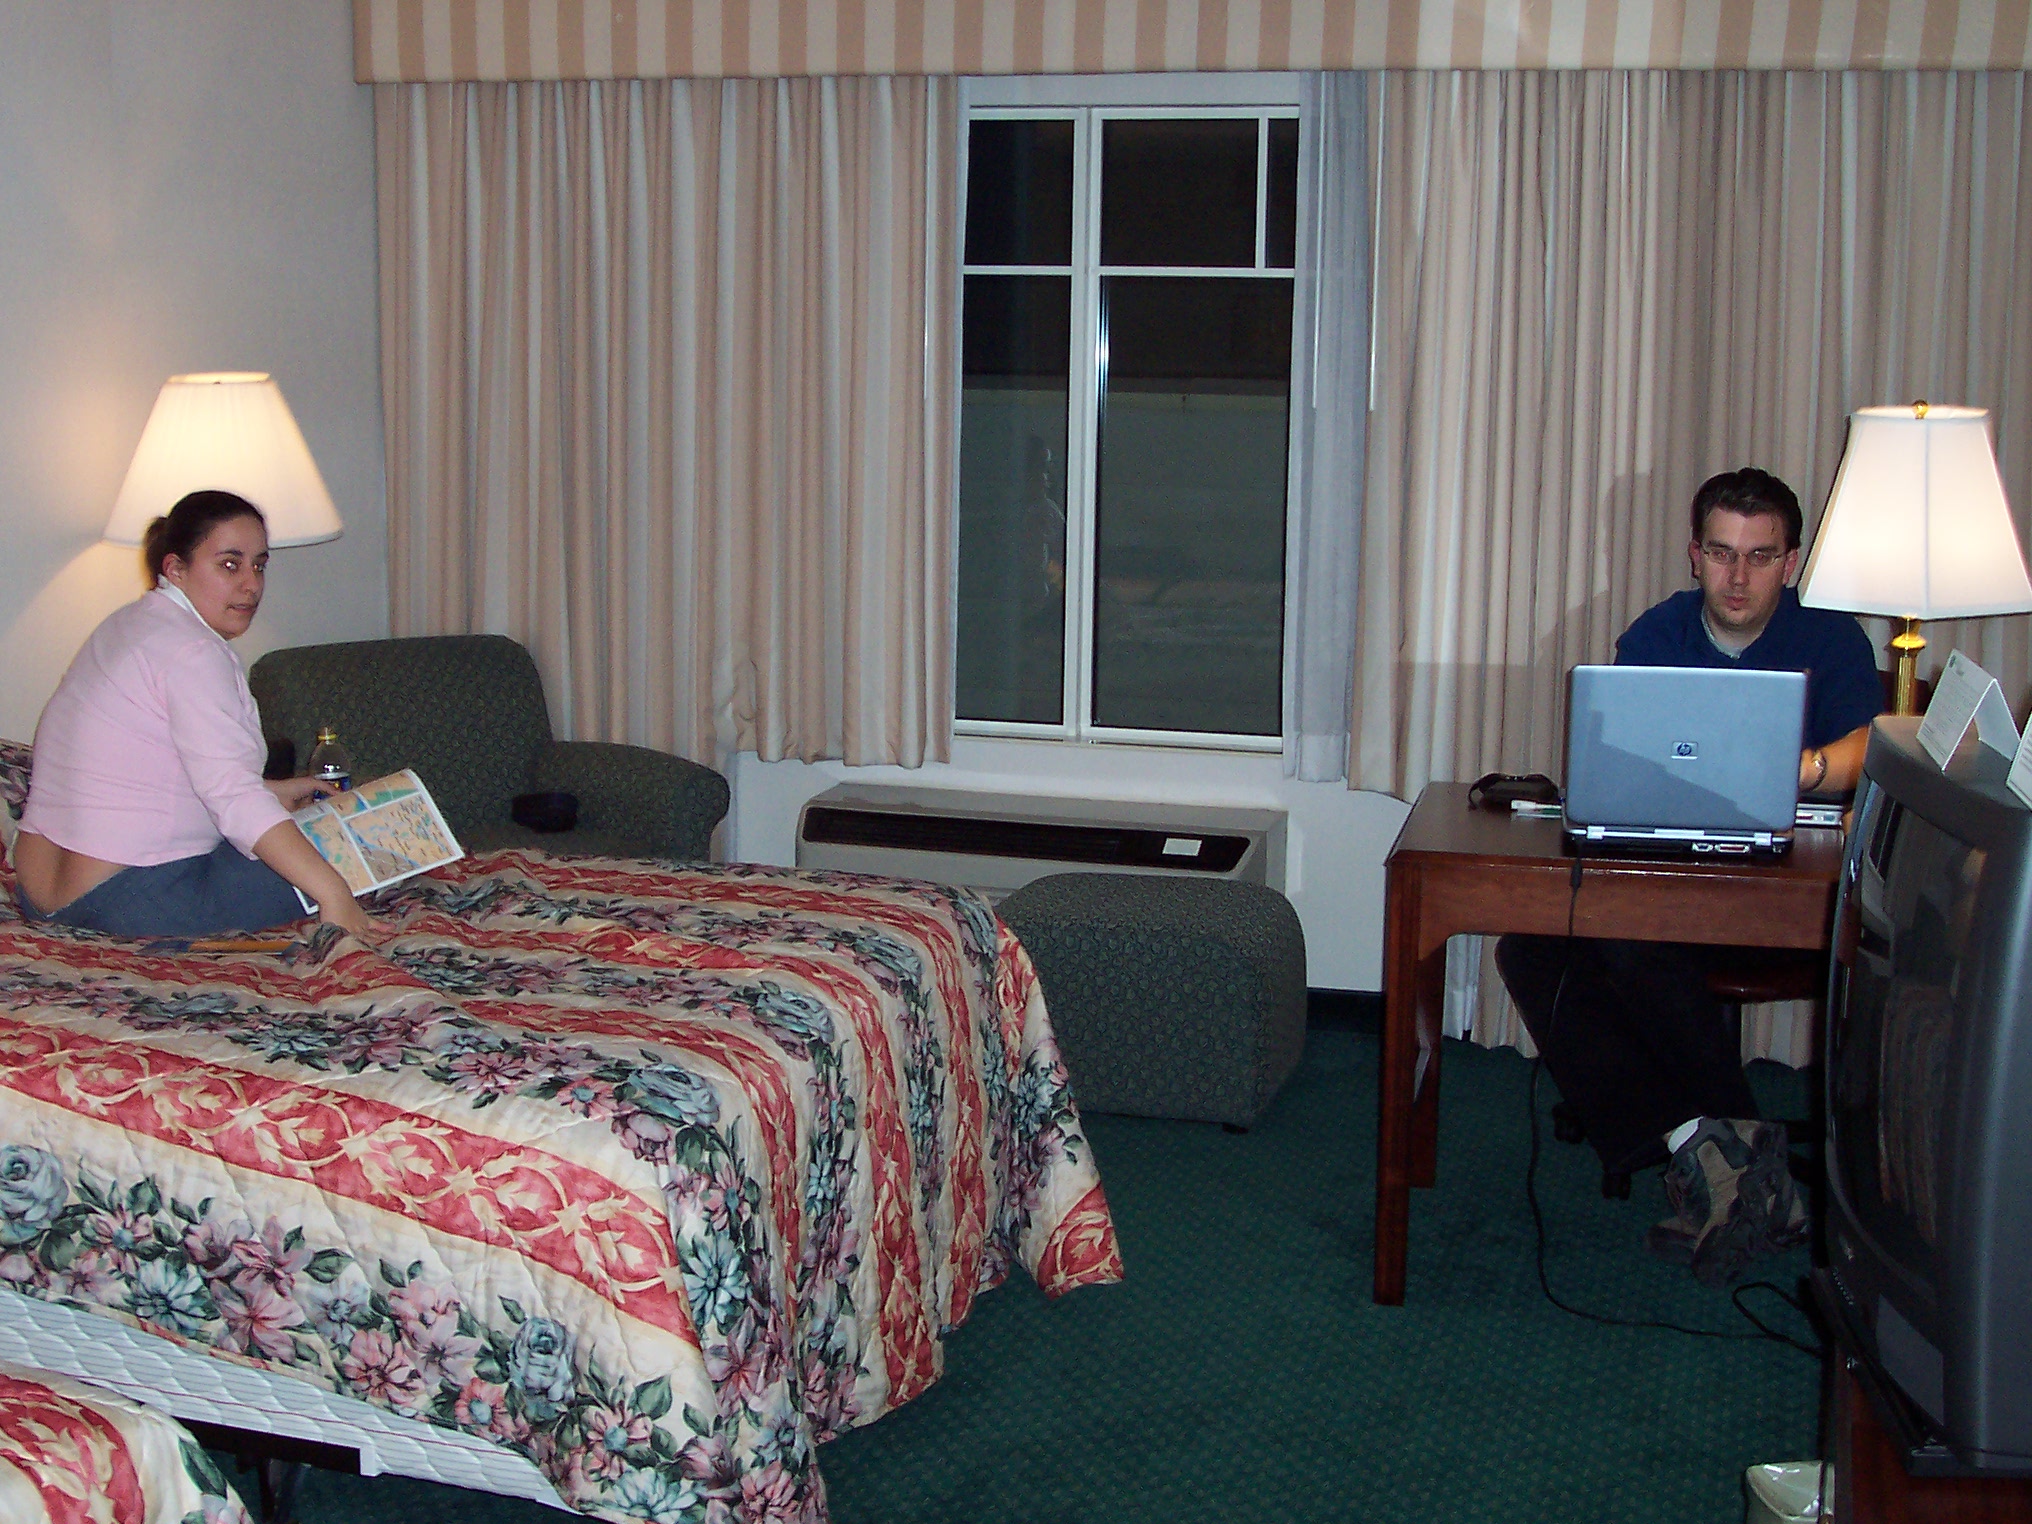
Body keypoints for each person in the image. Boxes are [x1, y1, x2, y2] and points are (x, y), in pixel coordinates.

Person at [1495, 468, 1882, 1282]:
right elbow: (1617, 758)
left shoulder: (1831, 639)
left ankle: (1721, 1163)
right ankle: (1716, 1152)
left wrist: (1802, 768)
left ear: (1790, 562)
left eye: (1760, 556)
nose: (1738, 577)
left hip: (1780, 897)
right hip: (1667, 877)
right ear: (1695, 555)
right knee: (1528, 949)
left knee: (1633, 942)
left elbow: (1870, 745)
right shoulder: (1655, 635)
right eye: (1721, 553)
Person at [12, 490, 373, 940]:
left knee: (300, 829)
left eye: (259, 565)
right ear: (176, 569)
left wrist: (269, 792)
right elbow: (234, 799)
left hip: (38, 894)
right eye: (230, 564)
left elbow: (146, 776)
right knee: (369, 843)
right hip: (127, 902)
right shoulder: (194, 652)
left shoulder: (127, 623)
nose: (251, 584)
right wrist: (336, 896)